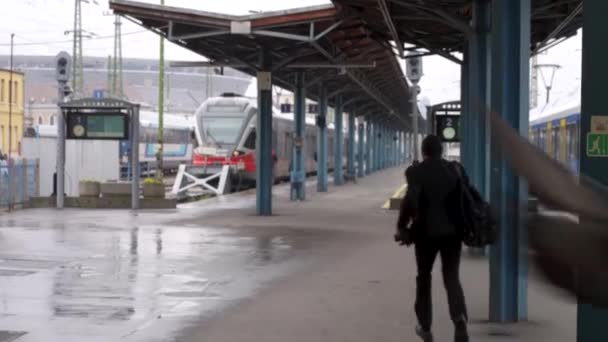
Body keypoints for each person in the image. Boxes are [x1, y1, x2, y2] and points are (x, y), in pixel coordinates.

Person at [396, 135, 469, 342]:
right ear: (441, 151)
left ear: (424, 151)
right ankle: (459, 318)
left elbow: (410, 201)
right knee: (451, 277)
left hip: (425, 234)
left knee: (424, 278)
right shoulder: (455, 169)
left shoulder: (416, 172)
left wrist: (402, 227)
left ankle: (425, 327)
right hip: (453, 234)